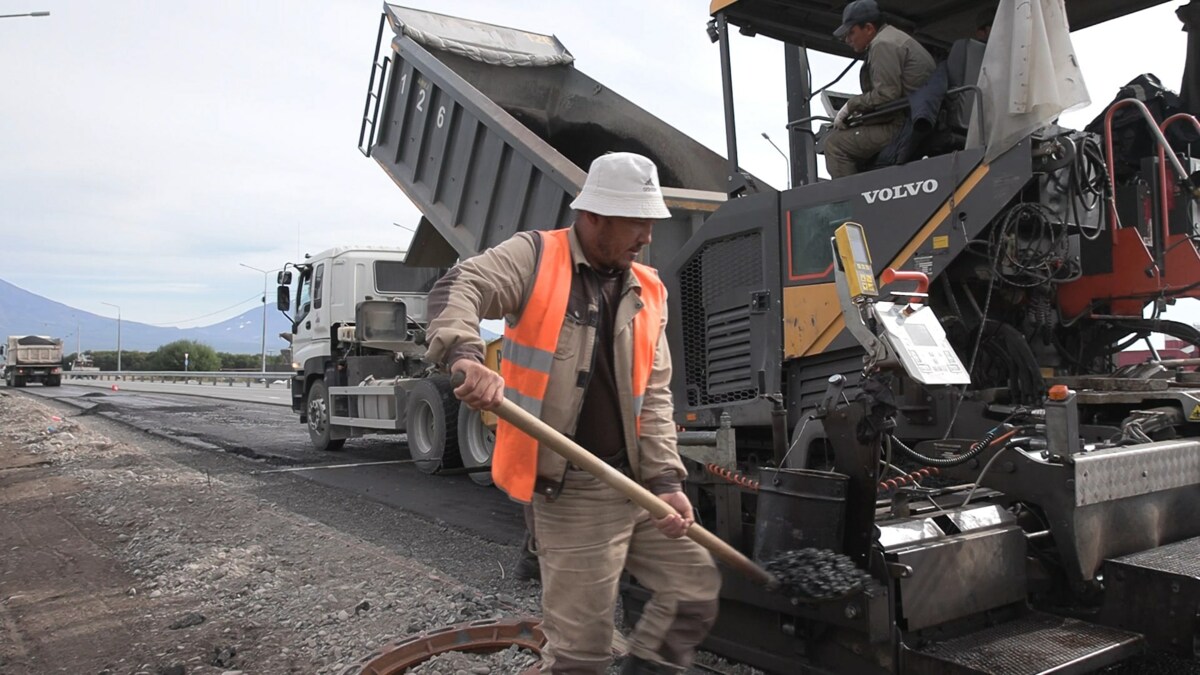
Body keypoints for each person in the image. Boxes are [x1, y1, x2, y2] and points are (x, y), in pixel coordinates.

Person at [424, 152, 721, 675]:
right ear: (596, 217)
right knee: (582, 652)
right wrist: (466, 356)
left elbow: (654, 395)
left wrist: (667, 479)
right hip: (574, 488)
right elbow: (458, 287)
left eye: (651, 223)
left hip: (636, 483)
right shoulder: (536, 257)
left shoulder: (649, 289)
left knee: (693, 587)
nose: (648, 236)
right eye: (638, 222)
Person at [824, 0, 936, 178]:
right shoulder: (893, 38)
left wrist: (851, 106)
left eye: (851, 32)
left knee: (833, 144)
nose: (847, 40)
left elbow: (886, 95)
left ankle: (854, 205)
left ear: (868, 28)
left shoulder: (883, 44)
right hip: (913, 117)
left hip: (903, 124)